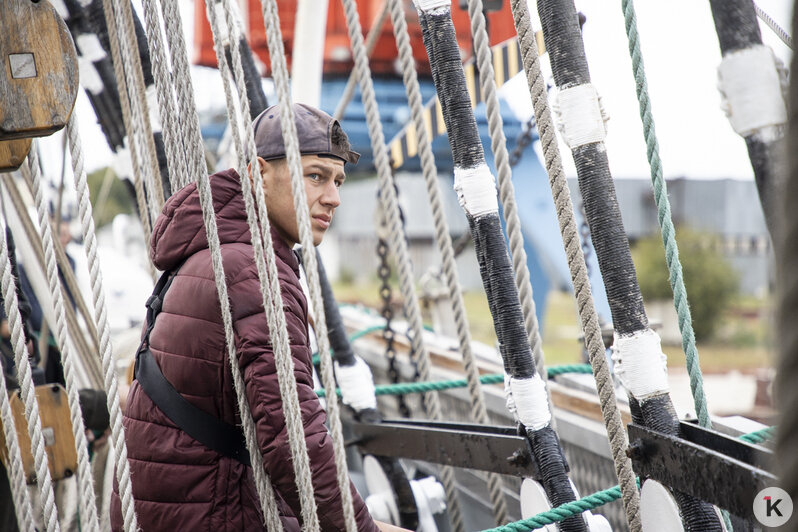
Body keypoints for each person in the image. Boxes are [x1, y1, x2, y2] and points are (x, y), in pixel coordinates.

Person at [110, 104, 386, 531]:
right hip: (215, 512)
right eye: (315, 176)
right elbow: (294, 440)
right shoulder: (253, 271)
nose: (332, 197)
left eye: (337, 181)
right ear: (258, 173)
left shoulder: (211, 250)